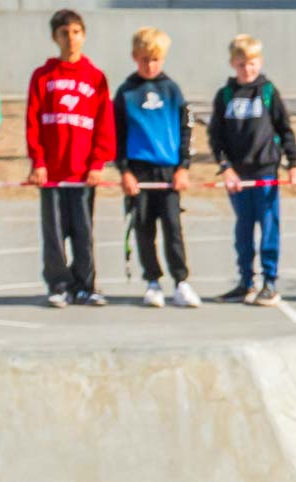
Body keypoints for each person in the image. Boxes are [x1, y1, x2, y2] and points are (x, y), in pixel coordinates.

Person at [207, 33, 296, 307]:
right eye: (241, 64)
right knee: (243, 229)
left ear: (259, 62)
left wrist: (293, 164)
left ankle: (269, 282)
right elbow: (216, 138)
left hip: (266, 173)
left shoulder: (268, 92)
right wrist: (226, 168)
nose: (247, 69)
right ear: (232, 64)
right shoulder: (224, 96)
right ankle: (245, 280)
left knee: (269, 226)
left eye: (251, 63)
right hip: (238, 176)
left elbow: (285, 129)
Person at [26, 8, 114, 308]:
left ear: (84, 35)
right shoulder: (43, 76)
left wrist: (98, 163)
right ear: (55, 37)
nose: (71, 39)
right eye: (64, 33)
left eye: (76, 32)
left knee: (83, 232)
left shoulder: (95, 78)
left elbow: (104, 124)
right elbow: (33, 122)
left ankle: (86, 286)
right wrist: (37, 161)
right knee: (53, 232)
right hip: (51, 172)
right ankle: (59, 285)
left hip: (82, 173)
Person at [115, 27, 195, 310]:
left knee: (173, 227)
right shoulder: (125, 92)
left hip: (168, 172)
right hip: (139, 172)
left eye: (156, 59)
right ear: (135, 57)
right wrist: (124, 171)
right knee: (144, 228)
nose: (150, 65)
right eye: (145, 59)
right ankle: (152, 281)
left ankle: (181, 282)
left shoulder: (172, 90)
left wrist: (183, 167)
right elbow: (118, 135)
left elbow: (187, 129)